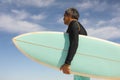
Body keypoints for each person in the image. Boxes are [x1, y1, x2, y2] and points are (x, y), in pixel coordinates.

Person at [60, 8, 90, 80]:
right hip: (82, 63)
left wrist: (67, 63)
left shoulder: (73, 24)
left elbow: (74, 43)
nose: (63, 18)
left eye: (64, 16)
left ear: (70, 15)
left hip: (82, 66)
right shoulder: (78, 25)